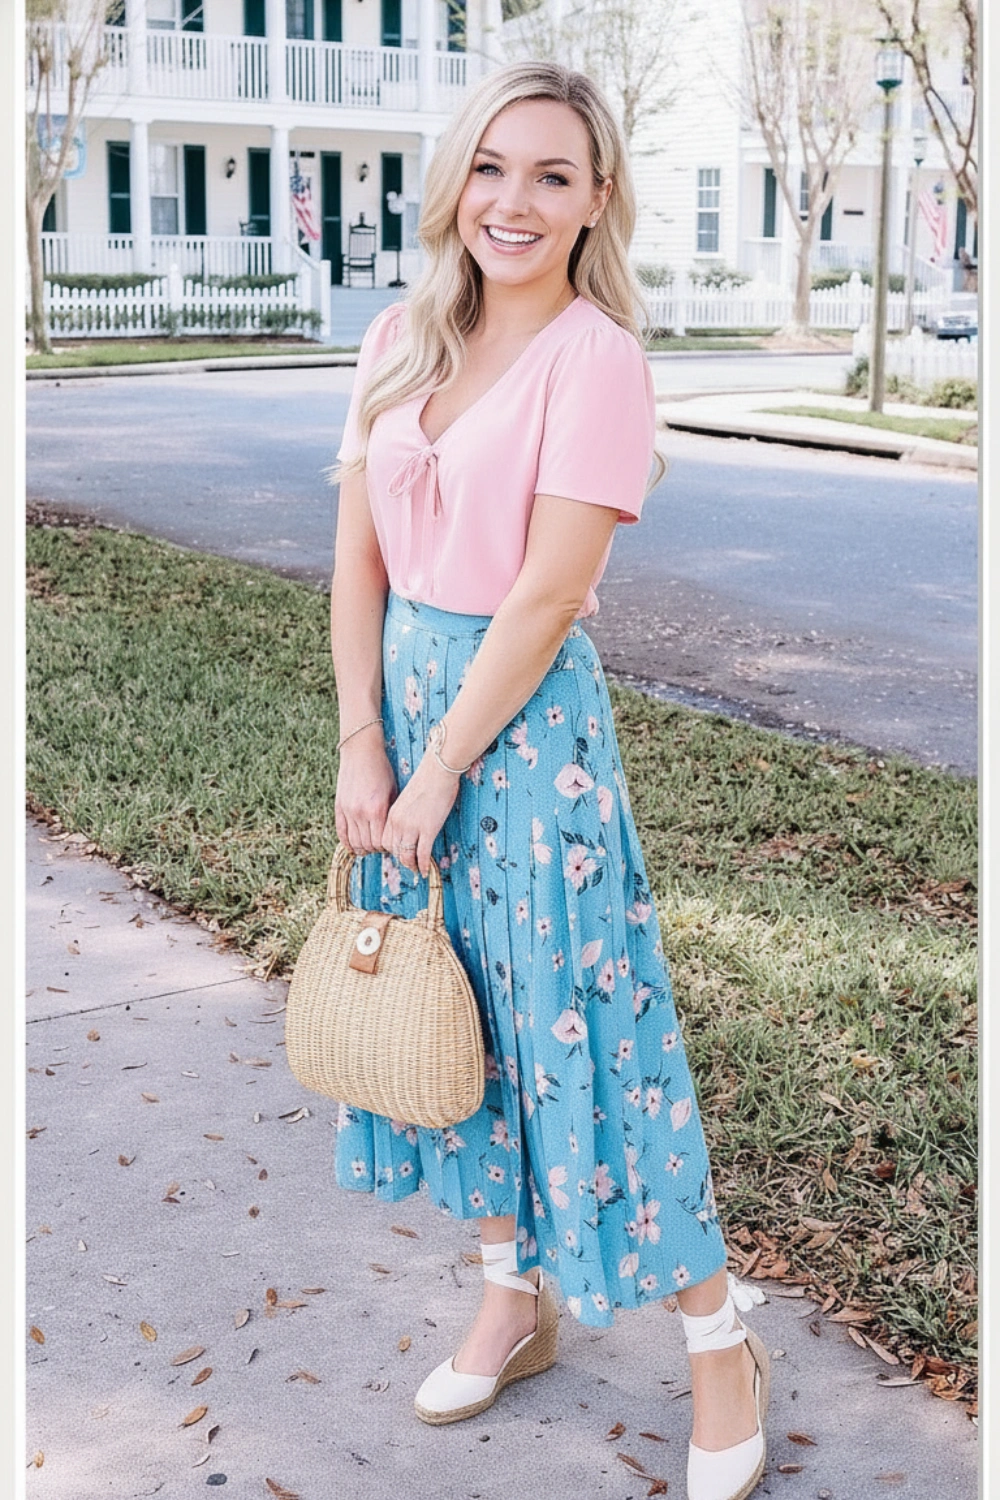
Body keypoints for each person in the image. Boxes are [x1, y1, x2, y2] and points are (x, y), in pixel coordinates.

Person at [327, 58, 770, 1500]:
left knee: (589, 1026)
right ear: (458, 176)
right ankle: (513, 1301)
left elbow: (546, 593)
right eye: (494, 166)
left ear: (595, 207)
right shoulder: (397, 337)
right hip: (404, 720)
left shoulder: (599, 361)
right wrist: (362, 744)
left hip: (524, 742)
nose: (514, 200)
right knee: (460, 1026)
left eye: (554, 177)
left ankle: (718, 1345)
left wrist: (441, 765)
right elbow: (356, 563)